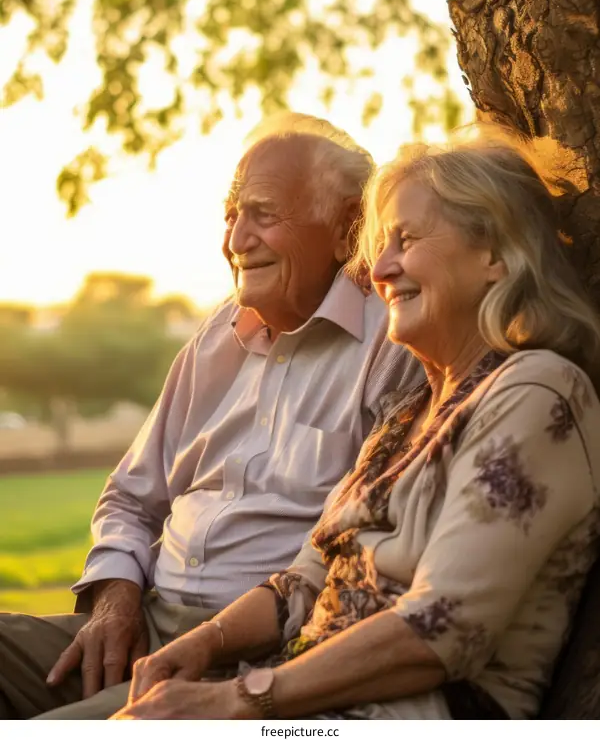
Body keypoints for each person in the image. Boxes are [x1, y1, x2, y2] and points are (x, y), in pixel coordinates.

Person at [115, 128, 600, 721]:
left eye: (407, 239)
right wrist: (202, 644)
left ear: (494, 255)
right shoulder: (406, 412)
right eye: (379, 244)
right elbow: (304, 580)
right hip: (309, 702)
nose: (380, 267)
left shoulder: (537, 393)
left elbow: (438, 630)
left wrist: (236, 700)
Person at [0, 113, 421, 721]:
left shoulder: (392, 343)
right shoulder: (215, 337)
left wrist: (217, 645)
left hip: (254, 654)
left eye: (263, 214)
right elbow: (128, 497)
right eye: (231, 214)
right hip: (142, 622)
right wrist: (115, 604)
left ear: (349, 227)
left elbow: (361, 557)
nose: (235, 239)